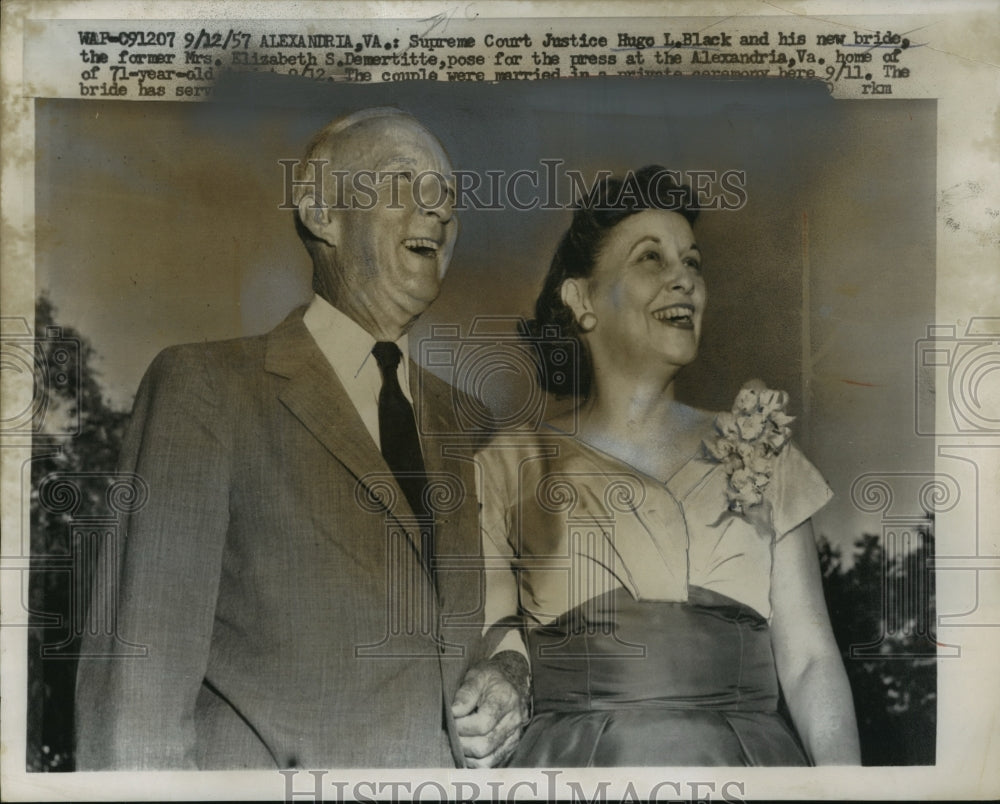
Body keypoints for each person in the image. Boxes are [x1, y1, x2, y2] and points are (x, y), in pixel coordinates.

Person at [74, 108, 527, 769]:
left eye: (449, 198)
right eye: (406, 180)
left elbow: (507, 620)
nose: (440, 212)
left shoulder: (480, 429)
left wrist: (511, 673)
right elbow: (134, 692)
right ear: (321, 212)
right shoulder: (206, 387)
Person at [476, 165, 861, 766]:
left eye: (694, 262)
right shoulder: (508, 462)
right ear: (580, 299)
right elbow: (495, 637)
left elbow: (811, 662)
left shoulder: (761, 448)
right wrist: (498, 679)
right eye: (650, 258)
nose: (684, 279)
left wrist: (847, 788)